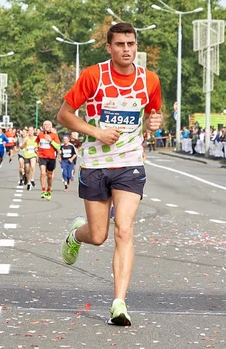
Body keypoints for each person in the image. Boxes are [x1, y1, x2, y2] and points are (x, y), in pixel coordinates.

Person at [57, 23, 163, 326]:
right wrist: (97, 132)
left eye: (131, 44)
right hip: (95, 164)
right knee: (99, 235)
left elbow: (153, 116)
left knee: (124, 230)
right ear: (109, 47)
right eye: (120, 44)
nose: (127, 49)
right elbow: (64, 115)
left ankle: (119, 303)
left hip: (130, 164)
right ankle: (77, 234)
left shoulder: (149, 80)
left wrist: (154, 125)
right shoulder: (94, 76)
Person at [36, 120, 60, 200]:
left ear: (51, 126)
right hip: (42, 156)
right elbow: (37, 142)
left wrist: (51, 141)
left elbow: (58, 147)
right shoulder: (40, 134)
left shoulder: (54, 135)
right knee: (43, 173)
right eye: (45, 125)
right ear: (43, 126)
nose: (47, 126)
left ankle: (49, 189)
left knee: (49, 175)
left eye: (48, 125)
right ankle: (43, 190)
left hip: (51, 157)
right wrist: (36, 148)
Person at [20, 126, 38, 190]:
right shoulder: (26, 138)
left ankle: (32, 179)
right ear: (28, 132)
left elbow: (38, 147)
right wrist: (24, 143)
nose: (30, 132)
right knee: (27, 169)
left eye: (31, 130)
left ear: (33, 131)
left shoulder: (36, 138)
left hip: (33, 155)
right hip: (27, 155)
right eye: (29, 131)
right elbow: (21, 147)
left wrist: (37, 151)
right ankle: (28, 182)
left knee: (33, 166)